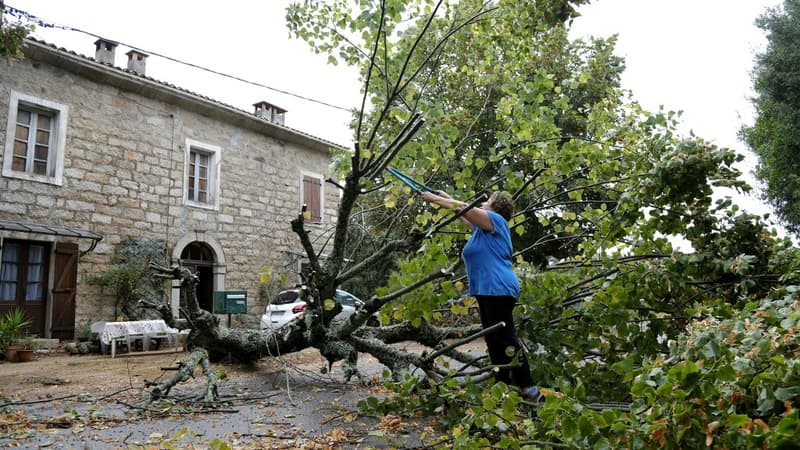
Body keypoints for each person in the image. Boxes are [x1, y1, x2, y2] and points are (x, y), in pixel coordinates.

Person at [419, 189, 541, 401]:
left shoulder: (496, 221)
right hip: (488, 289)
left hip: (498, 287)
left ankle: (529, 388)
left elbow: (463, 208)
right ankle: (502, 387)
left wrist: (435, 200)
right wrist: (446, 197)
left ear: (496, 207)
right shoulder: (482, 229)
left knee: (505, 339)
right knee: (494, 339)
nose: (484, 202)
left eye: (488, 200)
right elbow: (463, 212)